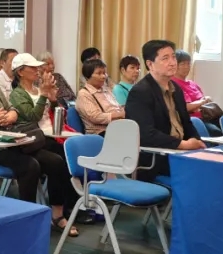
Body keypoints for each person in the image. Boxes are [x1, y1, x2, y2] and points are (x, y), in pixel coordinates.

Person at [0, 50, 81, 236]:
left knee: (56, 161)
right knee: (30, 166)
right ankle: (27, 219)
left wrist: (9, 117)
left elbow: (13, 110)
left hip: (11, 141)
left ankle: (57, 215)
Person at [124, 39, 204, 178]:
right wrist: (183, 145)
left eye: (173, 57)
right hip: (156, 158)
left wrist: (197, 142)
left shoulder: (176, 89)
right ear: (150, 64)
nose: (172, 63)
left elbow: (186, 123)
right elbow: (146, 134)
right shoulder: (140, 92)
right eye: (165, 58)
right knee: (204, 176)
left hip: (179, 154)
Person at [75, 58, 124, 135]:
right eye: (99, 73)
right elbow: (95, 117)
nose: (103, 76)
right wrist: (119, 114)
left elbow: (117, 107)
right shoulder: (84, 94)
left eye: (104, 73)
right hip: (100, 132)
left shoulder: (106, 90)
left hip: (118, 126)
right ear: (88, 76)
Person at [172, 50, 214, 121]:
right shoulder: (173, 84)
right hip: (192, 120)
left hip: (206, 116)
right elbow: (186, 107)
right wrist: (203, 101)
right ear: (174, 65)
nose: (186, 67)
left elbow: (205, 99)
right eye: (182, 64)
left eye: (188, 64)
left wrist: (205, 100)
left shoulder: (192, 83)